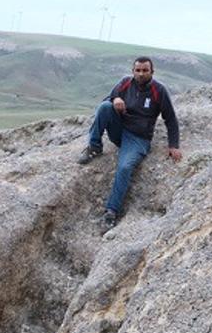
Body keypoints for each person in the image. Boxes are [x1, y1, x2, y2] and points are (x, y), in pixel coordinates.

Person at [78, 56, 181, 229]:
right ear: (133, 71)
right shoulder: (125, 83)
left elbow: (170, 119)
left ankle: (111, 211)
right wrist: (114, 100)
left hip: (138, 139)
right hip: (120, 129)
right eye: (137, 70)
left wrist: (174, 145)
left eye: (145, 70)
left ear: (152, 72)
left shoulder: (159, 91)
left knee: (125, 167)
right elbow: (107, 100)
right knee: (104, 108)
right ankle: (94, 147)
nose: (141, 74)